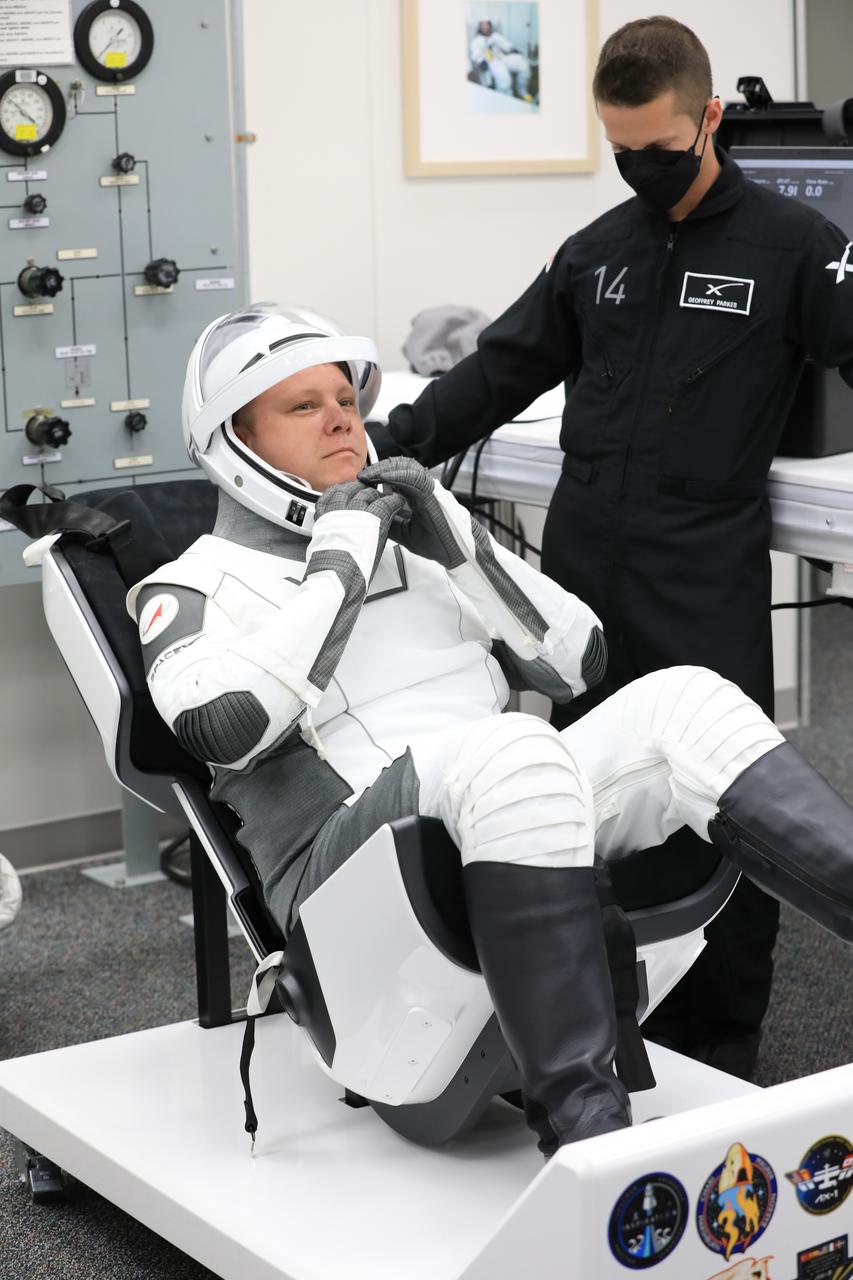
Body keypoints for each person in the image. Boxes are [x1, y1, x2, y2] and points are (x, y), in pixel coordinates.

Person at [129, 303, 853, 1156]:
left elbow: (578, 661)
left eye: (345, 401)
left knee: (687, 700)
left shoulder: (417, 550)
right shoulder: (188, 588)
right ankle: (587, 1136)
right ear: (234, 444)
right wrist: (342, 556)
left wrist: (462, 545)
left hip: (507, 805)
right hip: (345, 879)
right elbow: (224, 726)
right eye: (301, 406)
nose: (341, 420)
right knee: (509, 746)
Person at [369, 15, 853, 1079]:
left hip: (699, 577)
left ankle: (721, 1042)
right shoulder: (596, 253)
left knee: (716, 807)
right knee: (579, 809)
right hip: (581, 585)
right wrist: (378, 453)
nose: (642, 170)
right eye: (621, 150)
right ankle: (608, 1022)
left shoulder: (793, 248)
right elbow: (495, 372)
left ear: (708, 119)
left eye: (661, 151)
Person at [469, 19, 533, 102]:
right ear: (479, 27)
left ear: (490, 25)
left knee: (523, 64)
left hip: (502, 57)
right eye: (482, 25)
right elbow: (475, 53)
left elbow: (504, 43)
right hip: (491, 62)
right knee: (504, 78)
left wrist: (512, 49)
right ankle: (506, 100)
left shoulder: (495, 36)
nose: (484, 27)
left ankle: (522, 91)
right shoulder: (476, 41)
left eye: (486, 24)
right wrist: (481, 60)